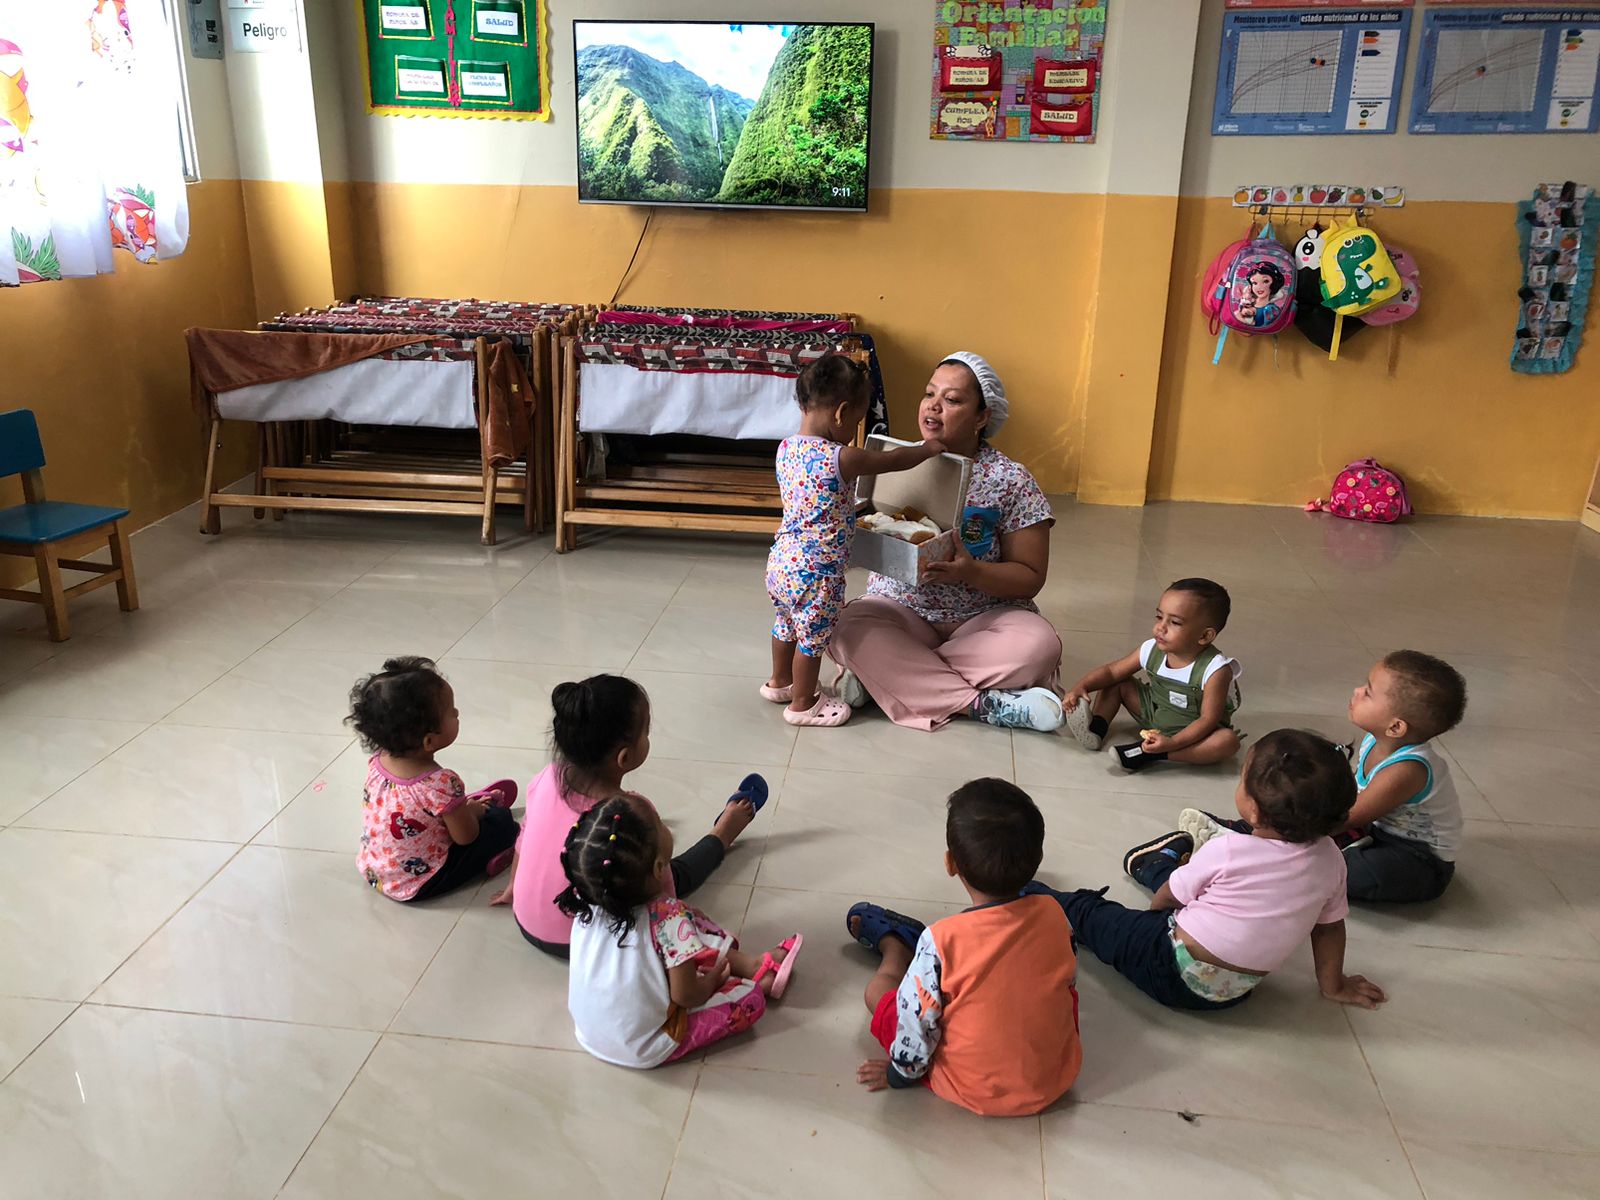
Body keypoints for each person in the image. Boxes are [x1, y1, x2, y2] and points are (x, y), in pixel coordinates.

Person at [1037, 730, 1384, 1012]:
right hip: (1233, 993)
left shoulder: (1230, 850)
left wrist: (1151, 923)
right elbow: (1328, 928)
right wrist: (1334, 986)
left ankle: (1030, 893)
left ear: (1254, 812)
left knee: (1088, 912)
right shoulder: (1332, 860)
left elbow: (1170, 897)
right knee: (1203, 887)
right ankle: (1158, 861)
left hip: (1167, 967)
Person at [828, 352, 1065, 733]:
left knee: (1039, 646)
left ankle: (888, 677)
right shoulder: (893, 462)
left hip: (983, 618)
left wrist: (971, 572)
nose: (933, 406)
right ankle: (983, 705)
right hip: (900, 609)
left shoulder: (1011, 480)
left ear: (982, 417)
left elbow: (1030, 577)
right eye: (929, 394)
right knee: (841, 626)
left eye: (952, 399)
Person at [847, 779, 1081, 1117]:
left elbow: (918, 1022)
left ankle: (895, 948)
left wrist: (900, 1074)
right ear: (1038, 859)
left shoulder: (942, 940)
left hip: (970, 1086)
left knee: (878, 992)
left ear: (950, 863)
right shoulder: (1055, 912)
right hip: (1055, 1076)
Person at [489, 674, 758, 957]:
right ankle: (723, 833)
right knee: (668, 870)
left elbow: (524, 835)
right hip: (584, 944)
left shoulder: (547, 776)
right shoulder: (631, 811)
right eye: (646, 732)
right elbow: (662, 887)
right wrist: (674, 920)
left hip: (526, 921)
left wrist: (513, 887)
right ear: (625, 757)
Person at [1182, 651, 1467, 904]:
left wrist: (1288, 832)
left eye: (1368, 692)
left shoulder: (1407, 770)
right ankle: (1244, 833)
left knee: (1335, 867)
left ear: (1395, 727)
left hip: (1416, 860)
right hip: (1373, 830)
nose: (1356, 691)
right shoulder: (1374, 740)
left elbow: (1351, 815)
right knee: (1302, 819)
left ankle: (1265, 854)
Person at [763, 353, 946, 727]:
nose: (854, 430)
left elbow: (817, 498)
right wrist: (927, 449)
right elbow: (892, 461)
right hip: (817, 573)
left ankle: (779, 682)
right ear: (841, 413)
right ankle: (803, 704)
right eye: (856, 422)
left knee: (785, 623)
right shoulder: (841, 457)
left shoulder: (786, 448)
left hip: (781, 561)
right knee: (812, 639)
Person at [559, 794, 801, 1068]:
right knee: (750, 999)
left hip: (588, 1034)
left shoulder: (587, 903)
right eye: (659, 822)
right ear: (658, 868)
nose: (664, 826)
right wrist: (713, 982)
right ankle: (754, 972)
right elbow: (686, 996)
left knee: (687, 923)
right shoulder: (669, 917)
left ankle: (738, 962)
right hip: (645, 1046)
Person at [347, 656, 520, 902]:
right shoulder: (440, 784)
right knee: (501, 821)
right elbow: (466, 837)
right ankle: (479, 823)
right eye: (451, 712)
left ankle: (454, 809)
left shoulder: (377, 762)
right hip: (421, 883)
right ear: (429, 741)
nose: (457, 713)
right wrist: (473, 812)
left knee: (453, 811)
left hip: (375, 870)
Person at [1062, 578, 1241, 771]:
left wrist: (1173, 742)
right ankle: (1096, 728)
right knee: (1118, 682)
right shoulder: (1151, 648)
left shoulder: (1215, 669)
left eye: (1175, 622)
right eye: (1159, 617)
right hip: (1153, 711)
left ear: (1204, 636)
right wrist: (1082, 686)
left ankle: (1153, 753)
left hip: (1192, 731)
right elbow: (1112, 672)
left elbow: (1208, 720)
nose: (1161, 627)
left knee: (1228, 741)